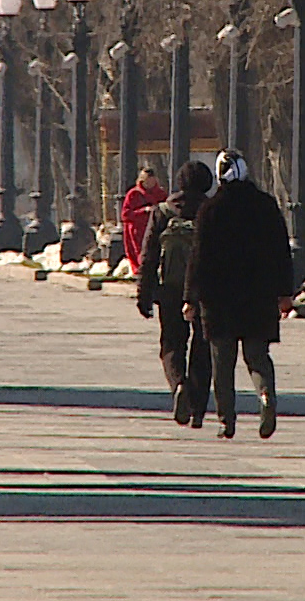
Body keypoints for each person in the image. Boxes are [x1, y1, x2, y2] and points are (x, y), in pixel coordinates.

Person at [183, 151, 295, 440]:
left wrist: (190, 297)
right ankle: (265, 394)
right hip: (259, 297)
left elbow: (198, 258)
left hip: (219, 300)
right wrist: (285, 292)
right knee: (257, 356)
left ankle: (226, 420)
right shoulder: (266, 205)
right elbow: (281, 252)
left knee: (222, 363)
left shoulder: (210, 209)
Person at [136, 160, 215, 427]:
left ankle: (178, 384)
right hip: (204, 290)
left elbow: (148, 256)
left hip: (170, 288)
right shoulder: (211, 212)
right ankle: (198, 408)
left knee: (171, 343)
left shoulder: (163, 211)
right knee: (203, 348)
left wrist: (144, 293)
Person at [118, 165, 167, 273]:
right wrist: (143, 211)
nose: (149, 184)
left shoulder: (161, 194)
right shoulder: (133, 194)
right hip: (137, 232)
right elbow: (125, 214)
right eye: (147, 181)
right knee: (140, 255)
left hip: (155, 230)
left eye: (151, 181)